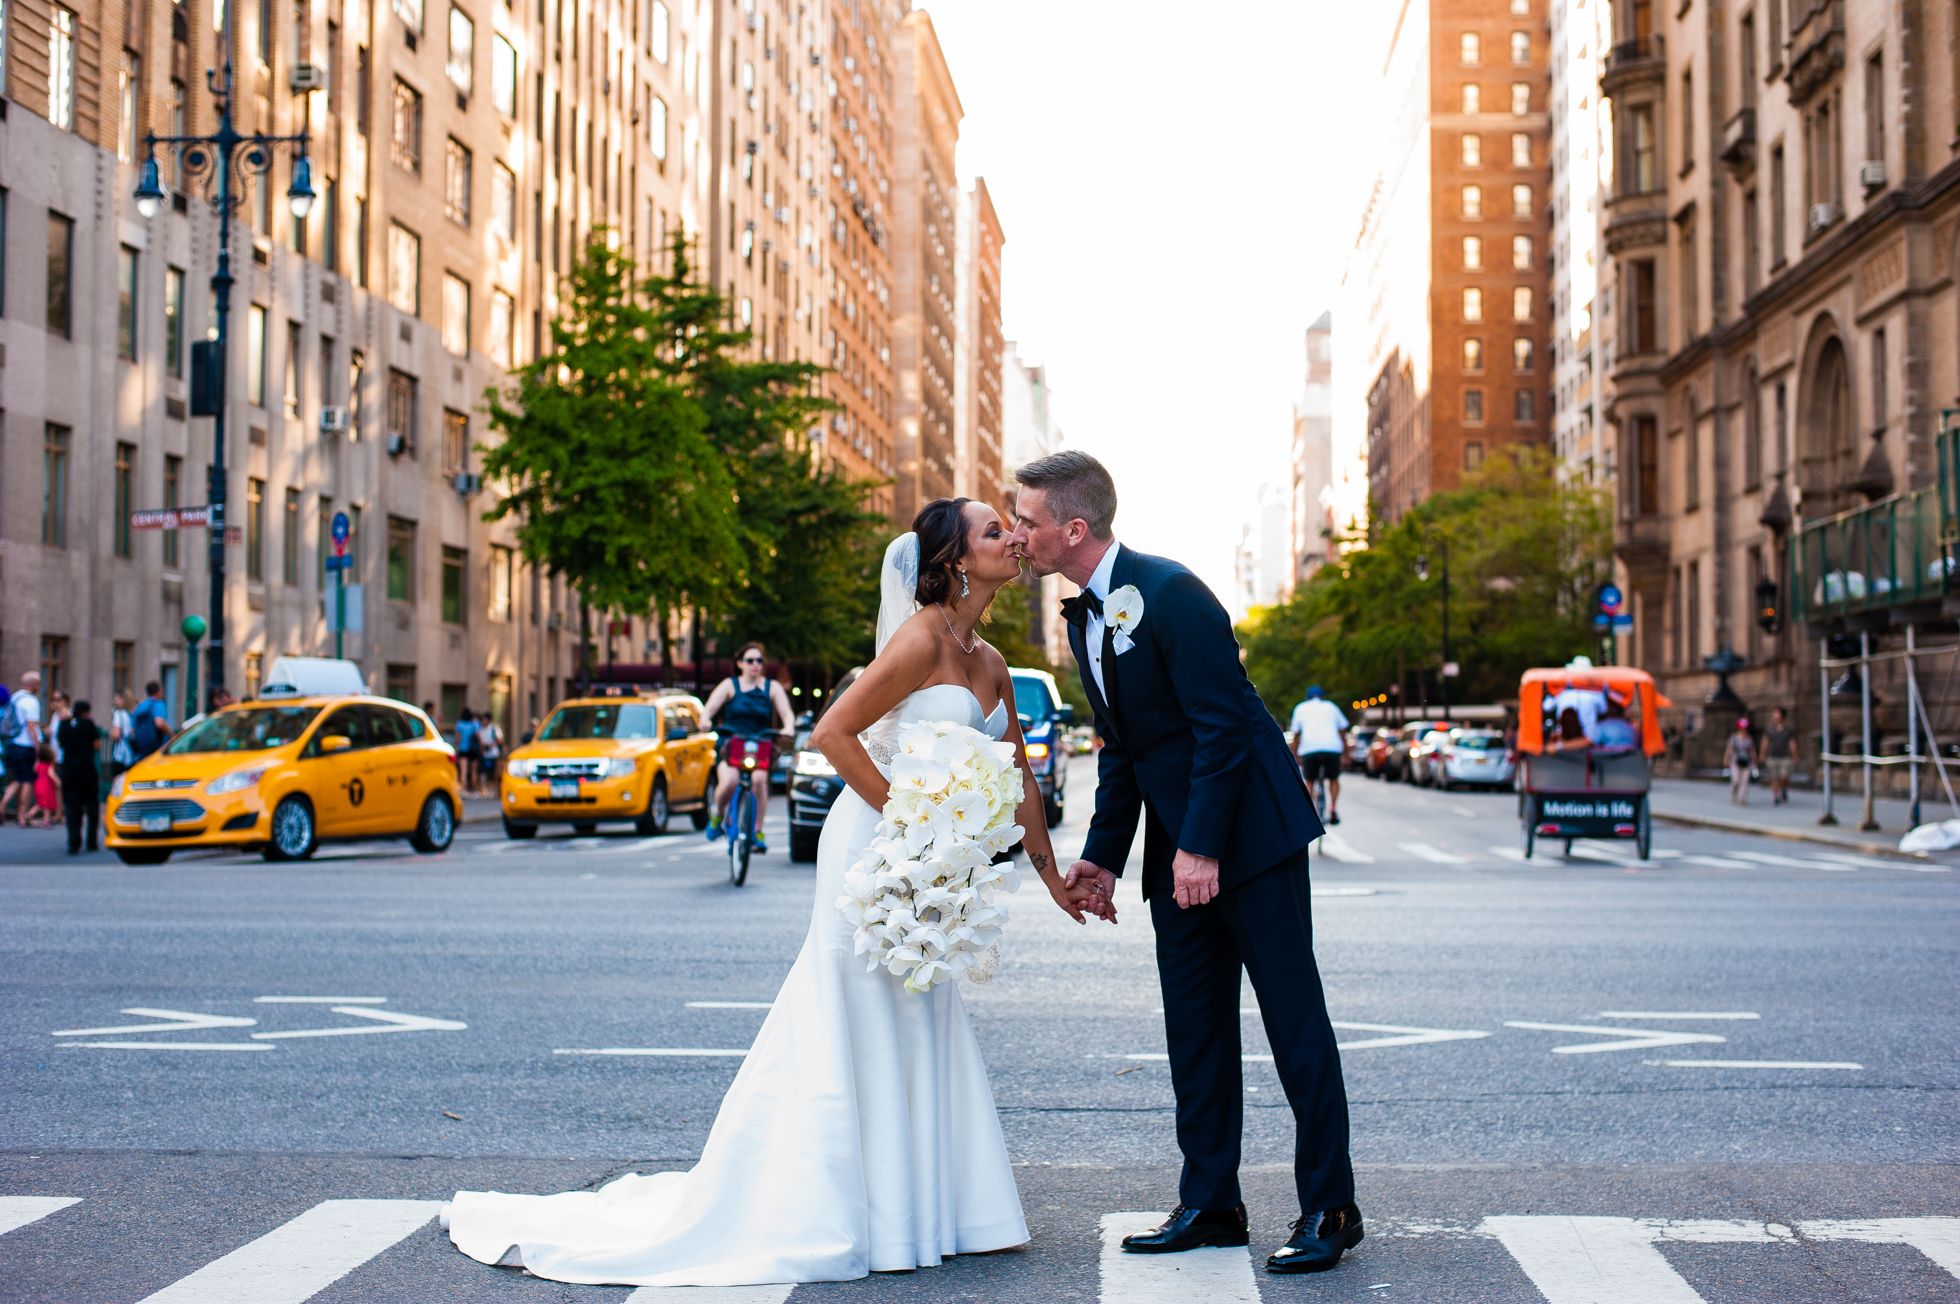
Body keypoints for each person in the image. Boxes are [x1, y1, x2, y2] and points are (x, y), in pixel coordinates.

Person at [443, 497, 1104, 1286]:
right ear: (958, 559)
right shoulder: (922, 636)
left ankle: (923, 1209)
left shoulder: (990, 660)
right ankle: (853, 1210)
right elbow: (832, 733)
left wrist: (1052, 875)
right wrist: (910, 825)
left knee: (921, 1009)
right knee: (857, 1014)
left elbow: (1021, 777)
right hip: (877, 853)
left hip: (930, 862)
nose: (1012, 540)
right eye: (994, 530)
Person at [1013, 451, 1361, 1277]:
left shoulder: (1172, 593)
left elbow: (1223, 729)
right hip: (1182, 850)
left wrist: (1200, 845)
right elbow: (1126, 750)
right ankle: (1211, 1202)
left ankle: (1332, 1208)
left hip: (1252, 838)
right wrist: (1100, 858)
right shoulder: (1084, 618)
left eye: (1024, 520)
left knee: (1293, 1022)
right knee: (1194, 1028)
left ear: (1073, 527)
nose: (1017, 534)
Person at [700, 643, 796, 853]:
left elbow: (786, 713)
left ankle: (757, 831)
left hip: (759, 744)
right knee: (730, 781)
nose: (755, 665)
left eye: (759, 661)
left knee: (760, 781)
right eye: (750, 660)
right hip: (731, 743)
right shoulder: (729, 685)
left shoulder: (772, 687)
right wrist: (705, 720)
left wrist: (788, 727)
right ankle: (717, 815)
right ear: (740, 663)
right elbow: (710, 707)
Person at [1288, 686, 1350, 825]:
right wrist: (1346, 754)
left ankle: (1308, 811)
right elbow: (1343, 732)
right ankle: (1333, 807)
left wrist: (1294, 756)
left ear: (1306, 698)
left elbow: (1296, 735)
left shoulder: (1300, 708)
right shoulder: (1331, 707)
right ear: (1323, 697)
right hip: (1332, 748)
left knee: (1309, 780)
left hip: (1309, 749)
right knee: (1334, 778)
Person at [57, 700, 102, 854]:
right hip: (86, 769)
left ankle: (74, 841)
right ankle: (91, 841)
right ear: (86, 711)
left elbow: (61, 743)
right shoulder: (89, 724)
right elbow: (97, 745)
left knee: (72, 806)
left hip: (69, 769)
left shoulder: (63, 725)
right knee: (91, 805)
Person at [3, 672, 46, 829]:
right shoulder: (31, 701)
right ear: (32, 684)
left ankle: (2, 805)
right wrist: (37, 747)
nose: (39, 687)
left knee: (17, 779)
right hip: (26, 744)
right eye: (38, 683)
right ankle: (22, 815)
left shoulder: (14, 698)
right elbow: (31, 726)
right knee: (28, 780)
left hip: (12, 743)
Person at [128, 681, 173, 761]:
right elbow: (159, 723)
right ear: (158, 692)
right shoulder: (158, 704)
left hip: (141, 750)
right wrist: (171, 734)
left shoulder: (140, 706)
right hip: (157, 748)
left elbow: (131, 730)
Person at [1762, 708, 1797, 805]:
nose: (1774, 717)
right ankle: (1775, 797)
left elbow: (1792, 743)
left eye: (1776, 714)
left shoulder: (1788, 729)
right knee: (1774, 778)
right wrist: (1762, 754)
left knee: (1784, 777)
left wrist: (1795, 756)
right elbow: (1765, 741)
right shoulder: (1770, 729)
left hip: (1785, 757)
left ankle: (1783, 790)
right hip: (1772, 756)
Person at [107, 690, 137, 787]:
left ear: (122, 699)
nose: (114, 701)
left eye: (116, 699)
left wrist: (111, 733)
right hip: (131, 754)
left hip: (121, 755)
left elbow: (116, 734)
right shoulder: (131, 714)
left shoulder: (118, 714)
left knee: (118, 783)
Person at [1726, 718, 1756, 805]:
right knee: (1735, 780)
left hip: (1746, 762)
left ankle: (1742, 798)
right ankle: (1733, 794)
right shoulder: (1734, 737)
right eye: (1742, 728)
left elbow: (1752, 750)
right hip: (1735, 761)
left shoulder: (1749, 738)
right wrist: (1726, 759)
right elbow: (1729, 749)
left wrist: (1755, 761)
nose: (1744, 730)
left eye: (1745, 728)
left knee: (1745, 780)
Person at [455, 709, 480, 796]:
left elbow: (457, 738)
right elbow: (478, 736)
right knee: (473, 771)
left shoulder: (460, 724)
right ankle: (475, 791)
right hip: (473, 749)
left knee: (463, 771)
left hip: (463, 749)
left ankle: (464, 791)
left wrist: (456, 746)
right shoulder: (474, 724)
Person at [478, 714, 503, 789]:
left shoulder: (494, 728)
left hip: (494, 753)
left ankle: (496, 788)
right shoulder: (480, 730)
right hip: (485, 754)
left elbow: (499, 739)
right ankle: (483, 788)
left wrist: (491, 744)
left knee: (496, 772)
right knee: (483, 772)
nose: (484, 721)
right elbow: (480, 742)